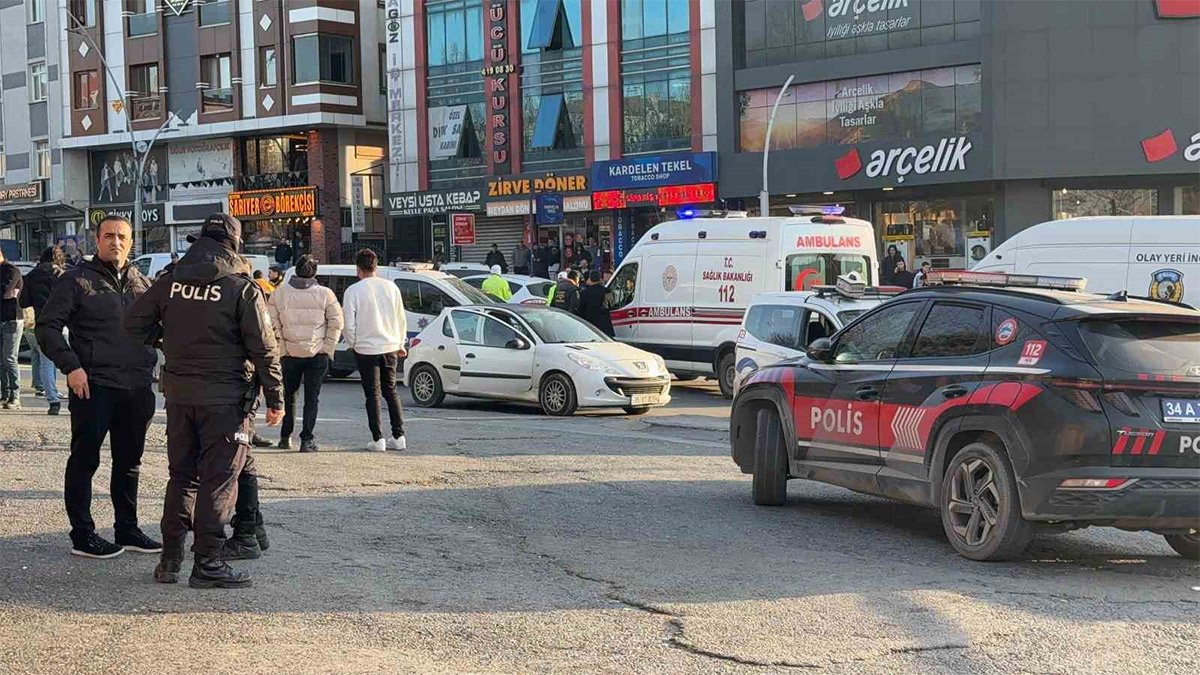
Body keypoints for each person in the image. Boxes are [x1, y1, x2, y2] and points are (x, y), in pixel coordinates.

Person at [124, 213, 284, 588]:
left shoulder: (170, 282)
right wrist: (276, 397)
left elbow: (133, 324)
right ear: (234, 245)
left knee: (182, 478)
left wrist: (166, 341)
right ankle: (208, 562)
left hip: (179, 396)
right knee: (218, 481)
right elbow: (264, 348)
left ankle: (169, 560)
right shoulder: (241, 288)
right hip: (226, 400)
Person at [37, 216, 160, 559]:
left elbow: (162, 328)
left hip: (136, 387)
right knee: (84, 460)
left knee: (129, 462)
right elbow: (47, 327)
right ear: (97, 240)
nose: (115, 242)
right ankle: (83, 535)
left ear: (131, 242)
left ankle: (128, 529)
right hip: (93, 386)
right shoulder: (76, 281)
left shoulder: (142, 283)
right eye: (109, 236)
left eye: (122, 237)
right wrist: (71, 366)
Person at [268, 255, 343, 453]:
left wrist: (281, 347)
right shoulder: (325, 294)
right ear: (314, 273)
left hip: (289, 354)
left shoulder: (279, 293)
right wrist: (328, 348)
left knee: (288, 395)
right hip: (317, 353)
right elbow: (336, 323)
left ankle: (285, 437)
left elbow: (271, 323)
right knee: (312, 398)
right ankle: (307, 440)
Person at [342, 249, 407, 453]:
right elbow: (400, 318)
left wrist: (353, 343)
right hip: (390, 345)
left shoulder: (353, 291)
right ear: (376, 266)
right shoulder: (391, 287)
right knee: (391, 391)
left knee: (372, 394)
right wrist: (400, 343)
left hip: (365, 347)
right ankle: (399, 436)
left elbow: (348, 323)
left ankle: (377, 438)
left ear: (358, 268)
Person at [18, 246, 66, 414]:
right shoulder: (62, 275)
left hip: (43, 323)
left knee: (46, 362)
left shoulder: (31, 276)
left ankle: (53, 401)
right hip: (64, 324)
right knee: (72, 362)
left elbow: (23, 302)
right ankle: (77, 396)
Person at [0, 248, 23, 409]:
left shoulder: (12, 270)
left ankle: (15, 396)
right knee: (1, 361)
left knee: (9, 357)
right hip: (1, 318)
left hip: (12, 319)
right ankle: (5, 394)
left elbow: (5, 291)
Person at [576, 270, 614, 337]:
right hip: (604, 323)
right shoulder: (607, 291)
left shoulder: (584, 293)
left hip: (590, 324)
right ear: (600, 279)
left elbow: (580, 310)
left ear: (590, 279)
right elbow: (611, 304)